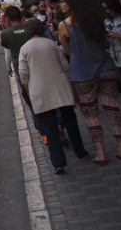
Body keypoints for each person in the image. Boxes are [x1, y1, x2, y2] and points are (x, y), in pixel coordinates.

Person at [58, 0, 121, 164]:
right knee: (113, 109)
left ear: (70, 2)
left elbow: (67, 50)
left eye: (62, 1)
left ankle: (100, 153)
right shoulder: (94, 18)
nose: (60, 4)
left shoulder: (64, 25)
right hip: (105, 67)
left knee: (90, 114)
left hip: (82, 73)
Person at [18, 18, 89, 174]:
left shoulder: (24, 49)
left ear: (28, 32)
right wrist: (72, 88)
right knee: (70, 120)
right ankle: (80, 150)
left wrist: (30, 90)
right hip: (60, 87)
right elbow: (65, 66)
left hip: (39, 90)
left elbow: (23, 75)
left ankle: (58, 163)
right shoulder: (51, 44)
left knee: (49, 128)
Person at [101, 0, 121, 91]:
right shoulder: (107, 21)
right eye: (105, 9)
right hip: (117, 57)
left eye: (109, 8)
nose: (108, 11)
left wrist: (119, 35)